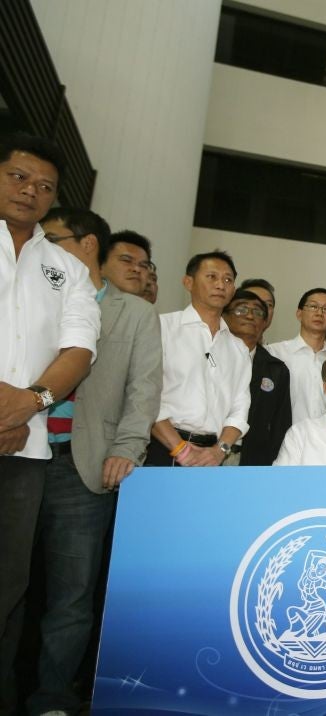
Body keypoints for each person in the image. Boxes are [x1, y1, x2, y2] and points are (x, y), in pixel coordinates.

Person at [30, 207, 161, 715]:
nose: (45, 246)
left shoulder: (134, 313)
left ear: (87, 247)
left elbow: (143, 389)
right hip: (21, 452)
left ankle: (51, 699)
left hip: (83, 464)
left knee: (71, 595)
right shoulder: (35, 298)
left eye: (54, 238)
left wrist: (127, 449)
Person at [0, 134, 100, 712]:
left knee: (9, 591)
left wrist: (29, 403)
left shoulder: (66, 268)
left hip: (24, 450)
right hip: (16, 422)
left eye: (44, 187)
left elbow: (79, 349)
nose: (31, 192)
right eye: (19, 177)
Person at [147, 250, 251, 467]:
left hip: (212, 456)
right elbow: (145, 395)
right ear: (188, 282)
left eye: (227, 280)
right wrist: (180, 449)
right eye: (212, 277)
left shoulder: (238, 348)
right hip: (162, 448)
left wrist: (220, 450)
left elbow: (240, 408)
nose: (221, 285)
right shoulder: (161, 328)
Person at [223, 289, 292, 466]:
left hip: (254, 461)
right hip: (205, 454)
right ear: (224, 315)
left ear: (265, 322)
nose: (250, 316)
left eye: (258, 312)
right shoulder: (209, 356)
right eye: (241, 309)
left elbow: (280, 425)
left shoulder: (276, 369)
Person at [268, 289, 326, 423]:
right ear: (299, 314)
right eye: (313, 306)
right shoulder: (275, 353)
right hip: (283, 440)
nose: (319, 313)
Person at [101, 230, 152, 297]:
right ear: (101, 266)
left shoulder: (147, 307)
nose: (137, 269)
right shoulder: (86, 301)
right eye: (126, 260)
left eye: (143, 265)